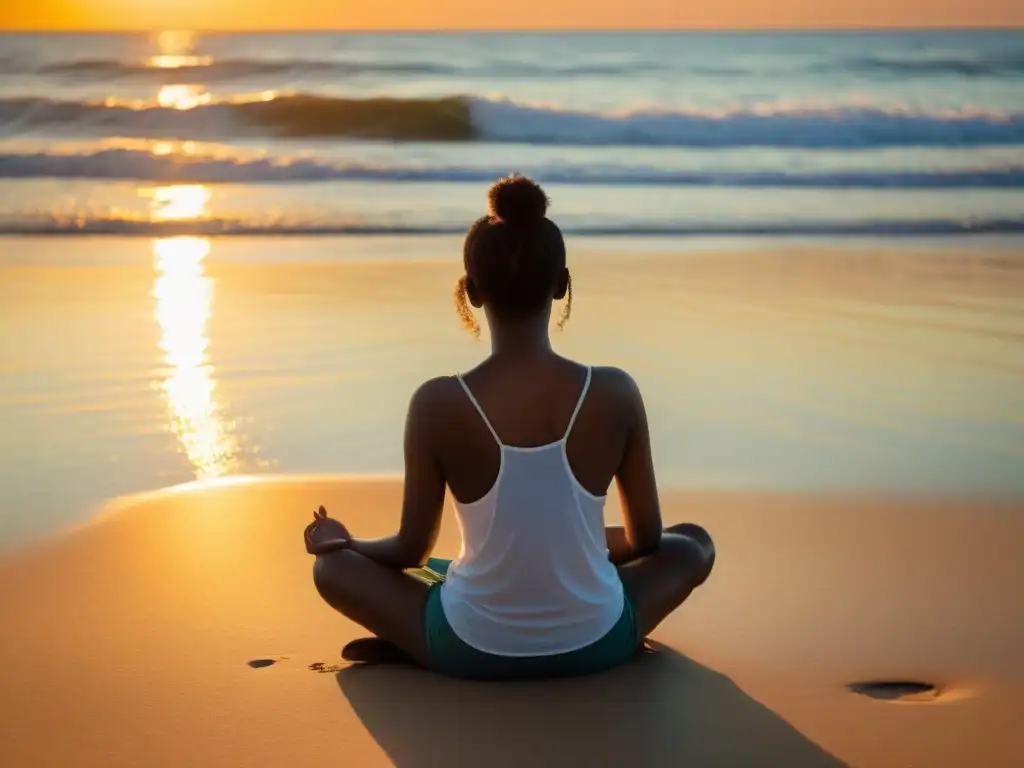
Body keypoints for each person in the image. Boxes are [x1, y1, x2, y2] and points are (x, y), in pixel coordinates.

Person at [304, 175, 715, 680]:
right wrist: (578, 541)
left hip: (471, 649)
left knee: (333, 570)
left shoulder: (438, 401)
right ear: (562, 284)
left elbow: (408, 549)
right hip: (599, 640)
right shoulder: (614, 391)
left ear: (472, 292)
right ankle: (546, 611)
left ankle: (418, 644)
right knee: (691, 542)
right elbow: (647, 539)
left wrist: (348, 544)